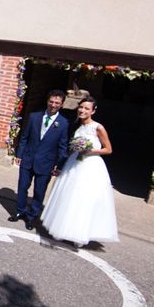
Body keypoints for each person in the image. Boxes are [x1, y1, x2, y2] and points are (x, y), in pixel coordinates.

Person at [41, 97, 118, 247]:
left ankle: (78, 234)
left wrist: (88, 151)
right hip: (74, 163)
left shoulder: (98, 128)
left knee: (83, 199)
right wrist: (62, 165)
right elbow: (71, 149)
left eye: (87, 108)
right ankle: (62, 230)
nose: (82, 110)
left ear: (93, 111)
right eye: (81, 107)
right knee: (68, 197)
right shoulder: (78, 126)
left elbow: (108, 149)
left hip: (90, 165)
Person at [11, 89, 70, 231]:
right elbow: (24, 137)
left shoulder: (63, 123)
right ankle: (20, 211)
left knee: (39, 192)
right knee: (23, 186)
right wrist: (19, 154)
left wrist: (60, 165)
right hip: (28, 158)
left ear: (61, 105)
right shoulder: (34, 117)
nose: (53, 105)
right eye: (51, 101)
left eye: (57, 103)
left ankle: (31, 217)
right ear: (47, 101)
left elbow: (63, 146)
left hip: (46, 163)